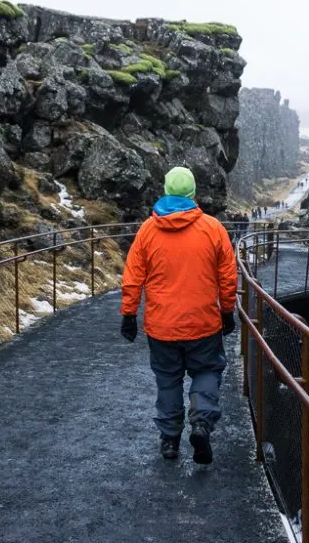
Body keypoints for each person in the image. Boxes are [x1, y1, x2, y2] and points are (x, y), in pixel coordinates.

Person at [120, 166, 237, 464]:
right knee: (207, 372)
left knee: (168, 380)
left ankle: (170, 439)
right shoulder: (213, 228)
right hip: (203, 323)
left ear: (166, 191)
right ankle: (201, 422)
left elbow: (133, 275)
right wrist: (227, 312)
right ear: (192, 193)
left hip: (161, 327)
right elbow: (227, 276)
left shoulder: (148, 230)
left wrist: (129, 314)